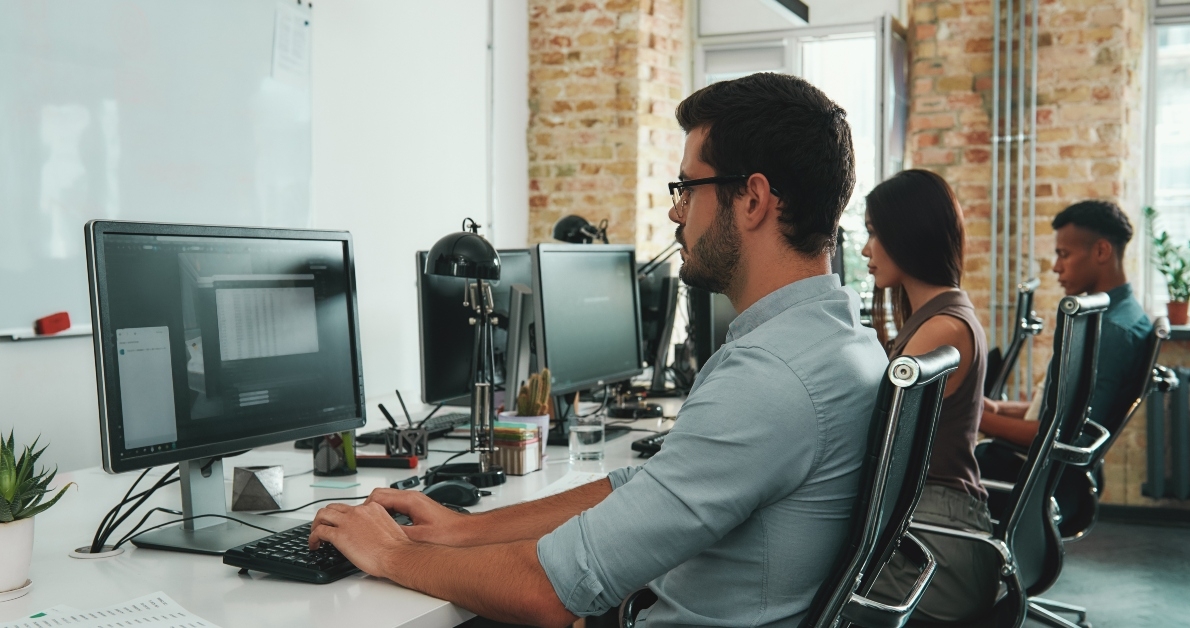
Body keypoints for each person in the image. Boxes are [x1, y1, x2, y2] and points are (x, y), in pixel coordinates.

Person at [304, 72, 888, 627]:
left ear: (753, 199)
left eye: (687, 188)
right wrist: (462, 530)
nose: (675, 211)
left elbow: (548, 590)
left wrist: (389, 554)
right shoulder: (842, 344)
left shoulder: (769, 378)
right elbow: (645, 487)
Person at [858, 169, 999, 622]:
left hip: (940, 548)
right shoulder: (940, 315)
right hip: (932, 525)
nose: (865, 250)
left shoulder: (942, 328)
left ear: (906, 235)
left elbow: (876, 439)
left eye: (874, 234)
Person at [979, 200, 1153, 448]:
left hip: (1040, 473)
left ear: (1101, 251)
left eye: (1064, 254)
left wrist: (974, 418)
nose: (1056, 267)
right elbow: (1062, 410)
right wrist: (996, 408)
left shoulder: (1110, 332)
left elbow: (1063, 437)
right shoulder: (1124, 315)